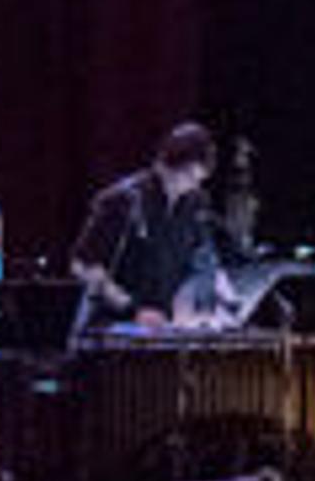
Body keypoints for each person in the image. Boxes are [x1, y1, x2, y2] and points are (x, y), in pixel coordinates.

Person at [72, 123, 236, 329]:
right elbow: (83, 265)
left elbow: (203, 262)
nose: (190, 187)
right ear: (163, 166)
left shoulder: (195, 204)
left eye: (197, 180)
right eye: (186, 176)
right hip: (114, 326)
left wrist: (217, 307)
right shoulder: (124, 200)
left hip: (164, 327)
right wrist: (132, 308)